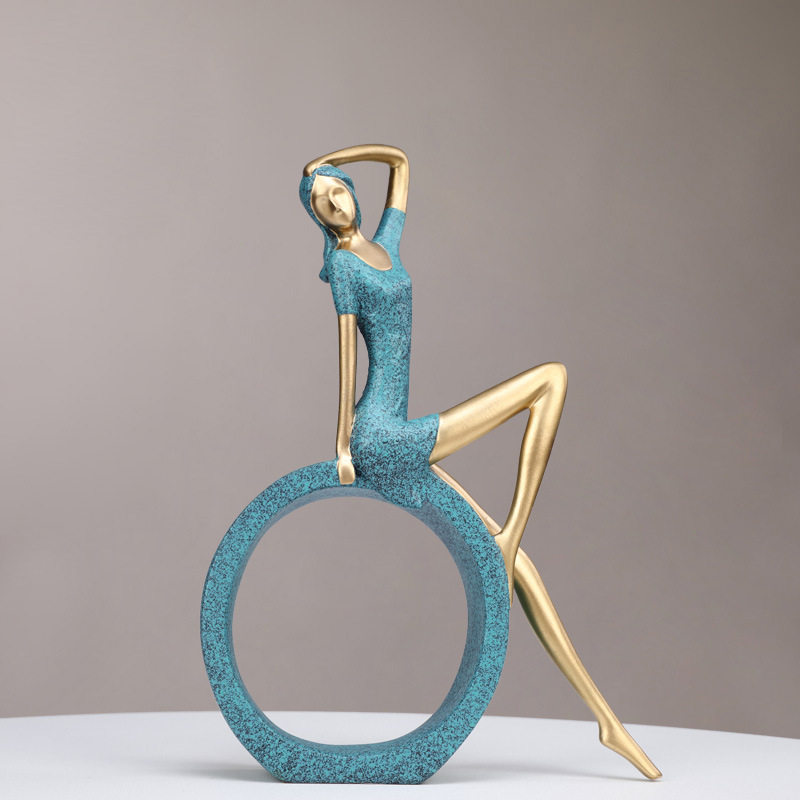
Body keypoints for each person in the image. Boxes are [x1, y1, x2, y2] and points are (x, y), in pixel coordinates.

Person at [299, 145, 660, 780]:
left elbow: (401, 163)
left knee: (524, 572)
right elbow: (346, 363)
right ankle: (512, 530)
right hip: (382, 435)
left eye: (340, 191)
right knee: (550, 379)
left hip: (401, 431)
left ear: (352, 190)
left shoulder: (387, 245)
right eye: (322, 204)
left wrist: (325, 160)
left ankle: (607, 723)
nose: (336, 204)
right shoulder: (346, 271)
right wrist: (341, 448)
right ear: (318, 221)